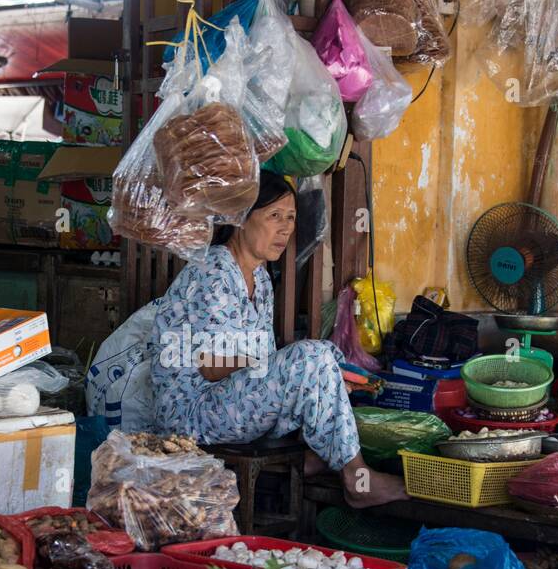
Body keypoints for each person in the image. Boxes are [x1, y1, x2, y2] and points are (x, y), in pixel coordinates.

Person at [149, 171, 407, 509]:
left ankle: (317, 455)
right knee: (310, 359)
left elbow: (262, 361)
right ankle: (356, 478)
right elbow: (212, 368)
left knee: (326, 356)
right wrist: (297, 369)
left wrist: (325, 374)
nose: (285, 228)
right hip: (193, 414)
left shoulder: (260, 277)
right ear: (240, 219)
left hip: (230, 400)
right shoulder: (212, 273)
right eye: (274, 216)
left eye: (290, 217)